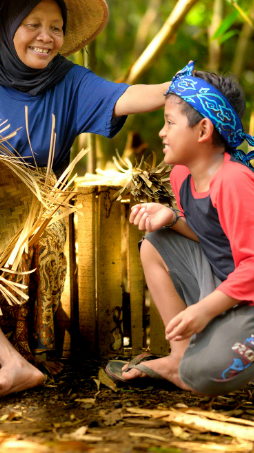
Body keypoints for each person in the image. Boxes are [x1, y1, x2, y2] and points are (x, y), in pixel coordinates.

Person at [0, 0, 172, 402]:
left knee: (47, 235)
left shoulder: (69, 80)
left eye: (56, 27)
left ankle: (28, 352)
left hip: (37, 202)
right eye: (32, 24)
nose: (46, 37)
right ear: (6, 26)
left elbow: (124, 96)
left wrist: (178, 88)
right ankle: (11, 361)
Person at [105, 61, 254, 395]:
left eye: (170, 122)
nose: (162, 132)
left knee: (203, 376)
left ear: (203, 131)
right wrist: (171, 218)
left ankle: (197, 363)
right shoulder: (182, 175)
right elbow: (213, 238)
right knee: (155, 241)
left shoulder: (233, 182)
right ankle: (179, 358)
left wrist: (204, 310)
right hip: (227, 284)